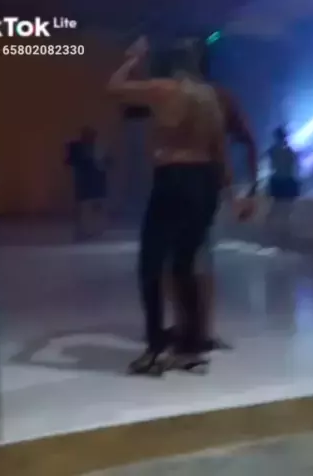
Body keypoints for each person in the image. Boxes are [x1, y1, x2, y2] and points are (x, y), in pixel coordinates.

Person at [108, 36, 246, 375]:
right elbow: (220, 152)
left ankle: (155, 349)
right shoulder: (211, 97)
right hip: (205, 185)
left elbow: (114, 88)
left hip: (173, 179)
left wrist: (132, 58)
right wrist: (233, 196)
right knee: (185, 266)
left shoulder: (165, 89)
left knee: (151, 266)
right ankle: (192, 348)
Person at [164, 84, 258, 351]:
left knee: (185, 259)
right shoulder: (215, 98)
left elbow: (228, 150)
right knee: (196, 259)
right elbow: (241, 144)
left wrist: (240, 192)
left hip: (182, 185)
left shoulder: (184, 97)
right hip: (198, 186)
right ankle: (197, 329)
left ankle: (190, 327)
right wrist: (244, 192)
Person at [66, 127, 106, 240]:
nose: (91, 138)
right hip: (83, 183)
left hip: (96, 183)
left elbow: (108, 162)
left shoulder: (99, 147)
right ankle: (82, 231)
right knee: (83, 208)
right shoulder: (76, 148)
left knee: (95, 208)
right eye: (88, 135)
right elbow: (70, 161)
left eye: (92, 136)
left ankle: (95, 231)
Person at [265, 126, 300, 246]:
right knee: (284, 210)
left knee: (278, 209)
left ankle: (275, 233)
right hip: (286, 181)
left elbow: (273, 164)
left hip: (279, 181)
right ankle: (282, 234)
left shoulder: (273, 151)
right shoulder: (289, 152)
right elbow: (293, 166)